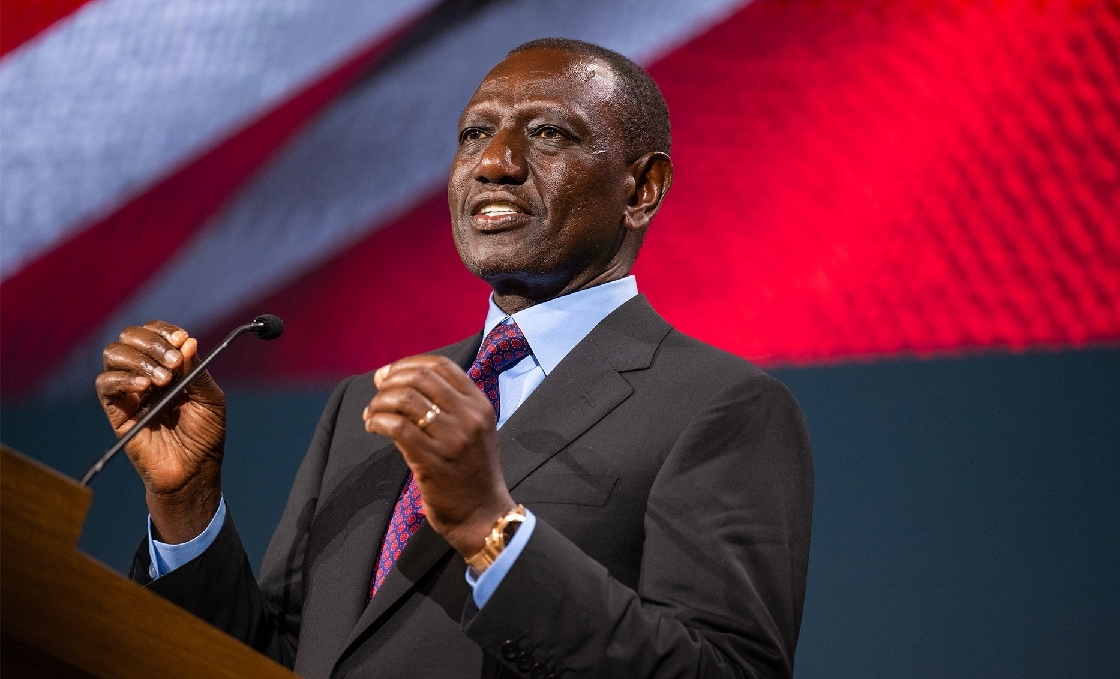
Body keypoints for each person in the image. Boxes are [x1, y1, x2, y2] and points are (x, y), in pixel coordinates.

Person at [96, 38, 813, 679]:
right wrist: (185, 504)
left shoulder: (719, 408)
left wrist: (491, 529)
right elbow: (281, 659)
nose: (495, 162)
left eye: (550, 134)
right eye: (474, 133)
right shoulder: (362, 408)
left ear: (641, 188)